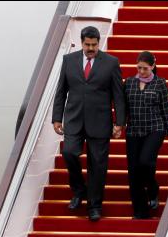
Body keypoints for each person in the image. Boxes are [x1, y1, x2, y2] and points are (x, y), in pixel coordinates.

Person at [52, 26, 126, 222]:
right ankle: (79, 190)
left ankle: (94, 206)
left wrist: (119, 121)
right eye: (87, 44)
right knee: (68, 153)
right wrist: (56, 117)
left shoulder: (111, 63)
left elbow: (118, 95)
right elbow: (61, 91)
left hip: (100, 122)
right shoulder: (69, 60)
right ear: (82, 42)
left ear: (98, 42)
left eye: (94, 44)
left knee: (98, 166)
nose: (91, 48)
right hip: (74, 119)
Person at [123, 51, 168, 219]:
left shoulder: (160, 83)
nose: (141, 72)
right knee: (133, 171)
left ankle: (153, 191)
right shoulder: (129, 83)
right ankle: (140, 211)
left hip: (155, 128)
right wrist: (119, 124)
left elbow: (165, 109)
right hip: (133, 130)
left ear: (152, 66)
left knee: (145, 162)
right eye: (138, 68)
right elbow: (124, 107)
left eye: (145, 69)